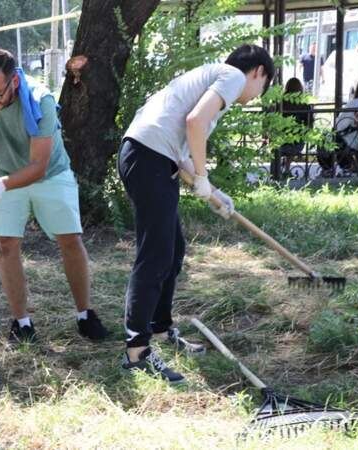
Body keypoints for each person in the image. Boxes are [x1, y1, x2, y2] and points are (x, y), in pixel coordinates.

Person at [119, 44, 273, 383]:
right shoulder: (232, 75)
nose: (256, 94)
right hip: (147, 159)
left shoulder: (209, 79)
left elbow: (183, 153)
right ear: (258, 72)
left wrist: (212, 190)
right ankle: (137, 352)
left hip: (153, 158)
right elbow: (195, 123)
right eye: (262, 86)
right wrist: (201, 178)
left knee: (173, 251)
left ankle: (160, 330)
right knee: (155, 255)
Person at [0, 48, 108, 343]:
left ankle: (85, 314)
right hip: (0, 170)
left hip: (49, 174)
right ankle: (22, 323)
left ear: (14, 82)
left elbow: (39, 166)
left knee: (69, 240)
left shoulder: (40, 99)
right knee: (6, 245)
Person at [278, 78, 314, 175]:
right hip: (296, 143)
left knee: (281, 143)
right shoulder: (304, 105)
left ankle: (279, 167)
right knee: (295, 141)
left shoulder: (280, 103)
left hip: (278, 141)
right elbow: (310, 124)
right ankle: (287, 168)